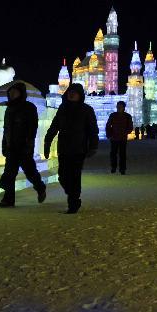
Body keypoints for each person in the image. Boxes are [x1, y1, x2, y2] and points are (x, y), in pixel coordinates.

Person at [43, 83, 98, 214]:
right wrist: (47, 142)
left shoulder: (87, 110)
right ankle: (73, 196)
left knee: (74, 176)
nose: (71, 94)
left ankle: (73, 201)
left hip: (79, 149)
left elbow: (92, 130)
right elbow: (54, 127)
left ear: (80, 95)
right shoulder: (62, 109)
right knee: (62, 176)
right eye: (70, 92)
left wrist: (93, 146)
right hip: (63, 148)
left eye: (74, 93)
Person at [0, 82, 47, 208]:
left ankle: (40, 187)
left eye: (15, 91)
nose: (12, 94)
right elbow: (6, 129)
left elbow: (32, 128)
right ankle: (8, 199)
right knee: (9, 174)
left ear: (21, 93)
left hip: (24, 146)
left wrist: (28, 145)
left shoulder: (29, 108)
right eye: (11, 92)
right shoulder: (9, 109)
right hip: (11, 147)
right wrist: (5, 145)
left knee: (30, 172)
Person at [106, 101, 132, 175]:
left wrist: (125, 132)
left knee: (122, 154)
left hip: (122, 138)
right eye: (118, 106)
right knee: (113, 153)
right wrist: (109, 134)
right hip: (114, 138)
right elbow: (108, 125)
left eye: (120, 106)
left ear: (124, 108)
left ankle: (122, 168)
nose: (119, 108)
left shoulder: (127, 116)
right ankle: (113, 167)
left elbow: (130, 126)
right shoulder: (113, 115)